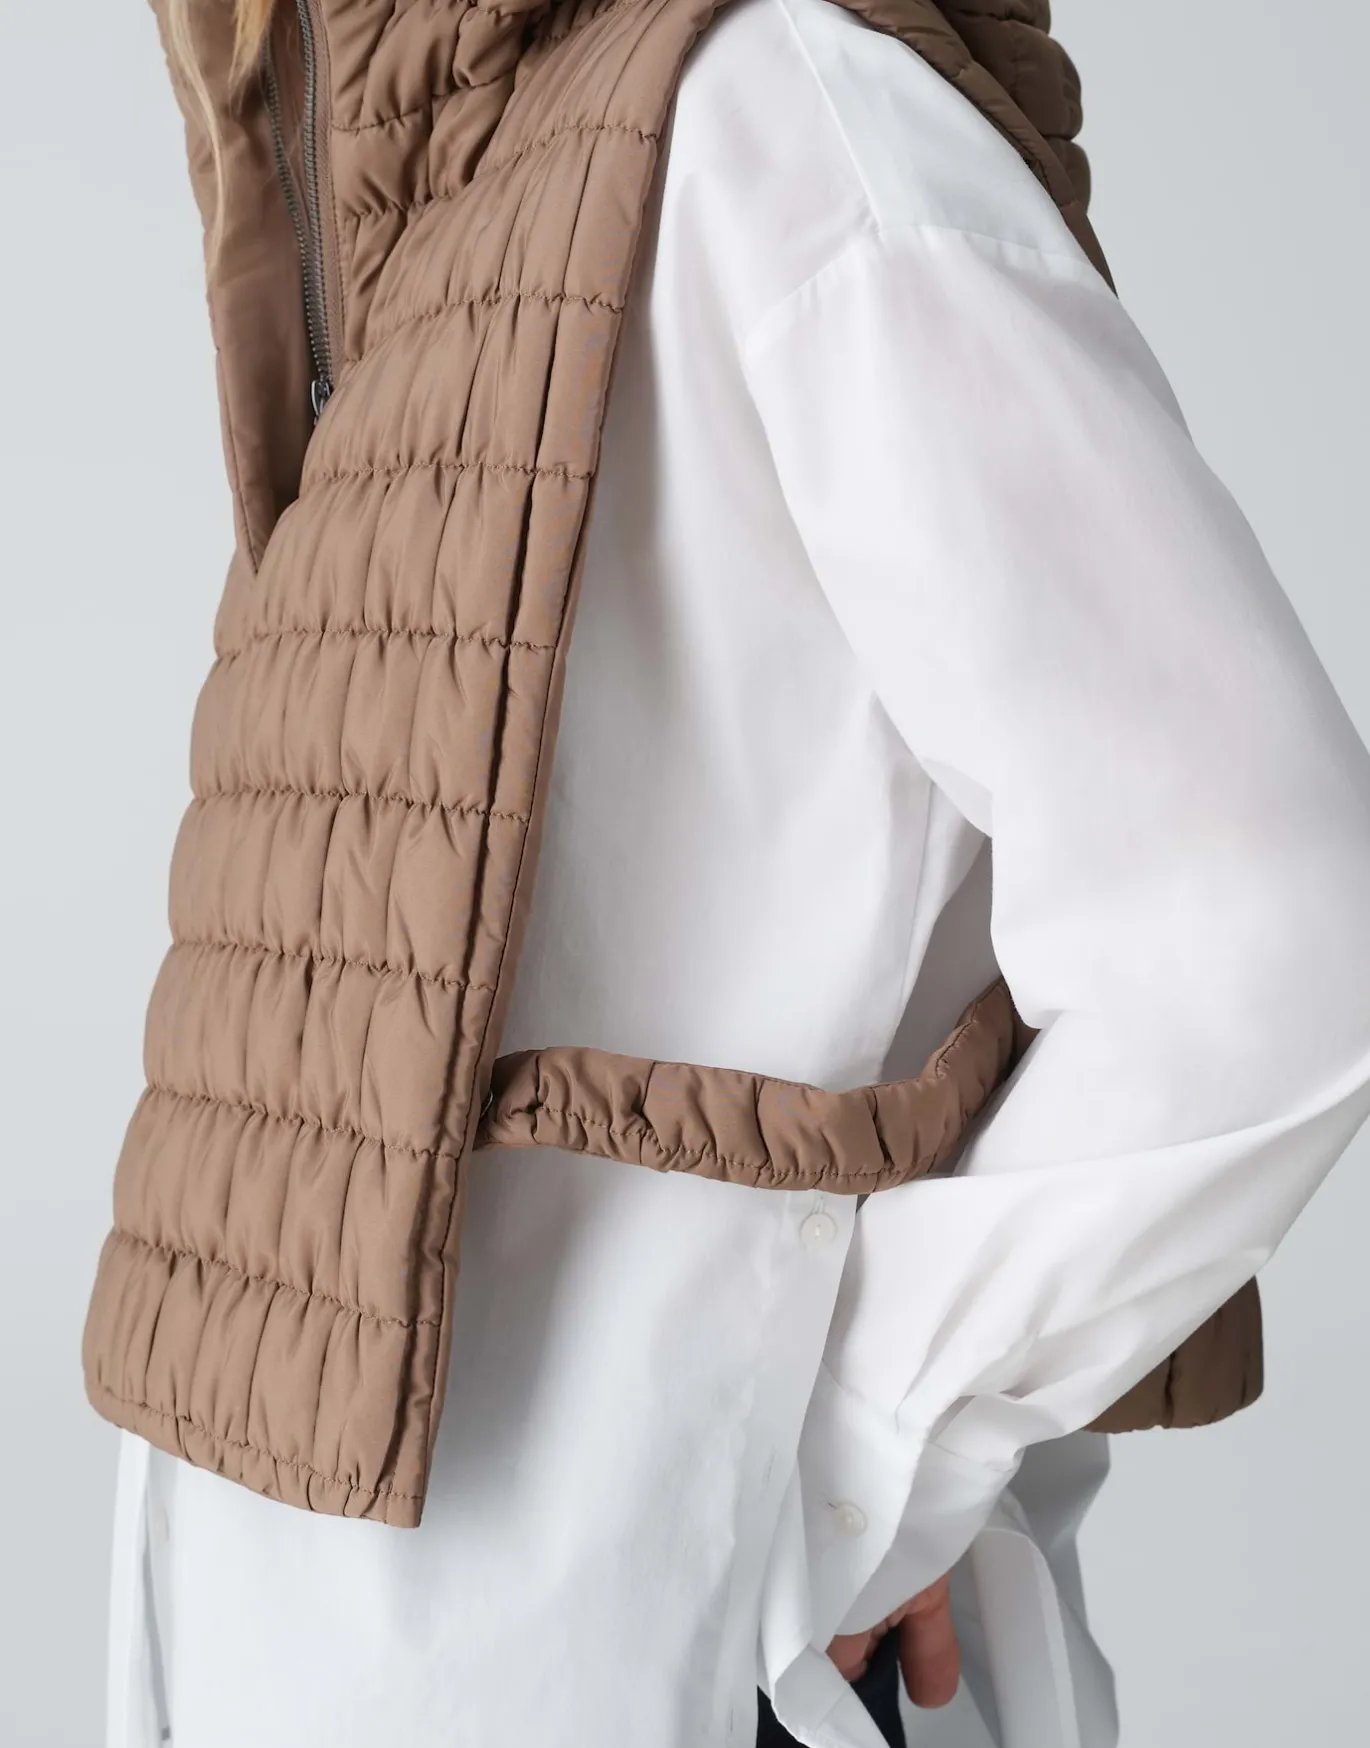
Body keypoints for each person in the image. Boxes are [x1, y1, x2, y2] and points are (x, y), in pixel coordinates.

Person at [86, 2, 1370, 1746]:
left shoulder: (774, 117)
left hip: (673, 1664)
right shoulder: (407, 204)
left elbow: (1264, 921)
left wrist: (867, 1464)